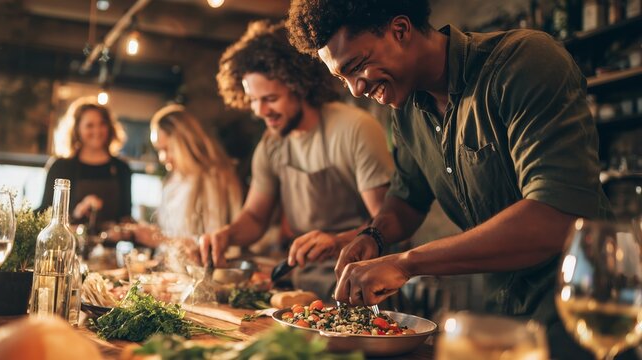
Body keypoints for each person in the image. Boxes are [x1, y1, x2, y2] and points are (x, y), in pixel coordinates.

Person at [287, 1, 619, 359]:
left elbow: (555, 217)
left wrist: (405, 263)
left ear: (400, 30)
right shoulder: (407, 111)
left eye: (357, 66)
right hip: (500, 319)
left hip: (585, 314)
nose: (354, 89)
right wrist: (373, 236)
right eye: (342, 78)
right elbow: (406, 200)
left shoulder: (524, 62)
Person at [204, 20, 394, 298]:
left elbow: (388, 223)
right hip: (304, 283)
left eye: (269, 98)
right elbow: (256, 217)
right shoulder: (271, 144)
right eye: (253, 100)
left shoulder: (354, 128)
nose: (260, 111)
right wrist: (227, 235)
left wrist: (337, 241)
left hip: (363, 282)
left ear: (299, 86)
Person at [132, 104, 243, 251]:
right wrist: (155, 235)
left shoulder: (212, 178)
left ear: (185, 142)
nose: (162, 157)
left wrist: (161, 240)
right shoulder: (173, 180)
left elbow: (213, 242)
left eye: (167, 149)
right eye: (159, 150)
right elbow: (173, 232)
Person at [40, 96, 132, 231]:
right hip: (70, 246)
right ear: (77, 129)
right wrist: (76, 212)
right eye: (90, 125)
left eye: (102, 124)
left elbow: (125, 217)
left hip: (109, 249)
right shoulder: (60, 167)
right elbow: (45, 213)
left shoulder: (121, 168)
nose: (97, 131)